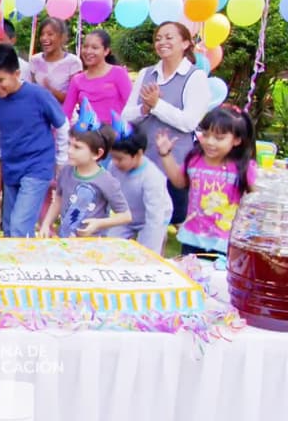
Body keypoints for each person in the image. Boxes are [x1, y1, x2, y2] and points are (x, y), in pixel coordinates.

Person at [122, 21, 212, 225]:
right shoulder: (146, 74)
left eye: (169, 37)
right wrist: (144, 109)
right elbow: (126, 116)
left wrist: (157, 105)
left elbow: (189, 122)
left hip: (175, 163)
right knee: (139, 219)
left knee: (168, 220)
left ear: (186, 43)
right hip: (143, 159)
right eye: (158, 38)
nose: (162, 42)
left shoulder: (195, 77)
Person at [0, 43, 70, 238]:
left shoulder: (38, 95)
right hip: (10, 168)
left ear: (17, 74)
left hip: (37, 168)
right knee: (9, 227)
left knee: (20, 226)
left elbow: (63, 125)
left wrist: (61, 161)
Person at [157, 105, 256, 255]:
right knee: (189, 270)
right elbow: (179, 181)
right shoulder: (195, 160)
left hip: (225, 241)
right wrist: (165, 155)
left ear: (236, 140)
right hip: (193, 237)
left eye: (219, 138)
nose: (210, 142)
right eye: (205, 134)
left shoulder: (243, 168)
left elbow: (256, 200)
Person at [39, 127, 131, 238]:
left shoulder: (107, 181)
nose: (69, 150)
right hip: (65, 240)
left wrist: (98, 224)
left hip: (93, 244)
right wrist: (46, 224)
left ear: (97, 154)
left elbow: (126, 216)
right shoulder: (66, 170)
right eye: (69, 144)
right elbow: (58, 199)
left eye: (77, 147)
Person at [106, 114, 171, 254]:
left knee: (147, 253)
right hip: (127, 216)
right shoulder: (113, 167)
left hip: (153, 217)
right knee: (108, 245)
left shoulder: (152, 177)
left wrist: (150, 250)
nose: (115, 162)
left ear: (138, 154)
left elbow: (155, 217)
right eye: (113, 157)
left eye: (120, 159)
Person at [62, 29, 132, 124]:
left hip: (115, 131)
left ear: (106, 51)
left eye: (95, 48)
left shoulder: (118, 73)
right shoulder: (77, 80)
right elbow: (66, 112)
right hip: (87, 132)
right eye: (85, 46)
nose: (88, 51)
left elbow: (131, 106)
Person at [30, 18, 83, 105]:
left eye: (50, 34)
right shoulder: (35, 60)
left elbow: (74, 99)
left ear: (62, 37)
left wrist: (50, 90)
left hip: (62, 112)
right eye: (42, 34)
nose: (44, 38)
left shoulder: (73, 62)